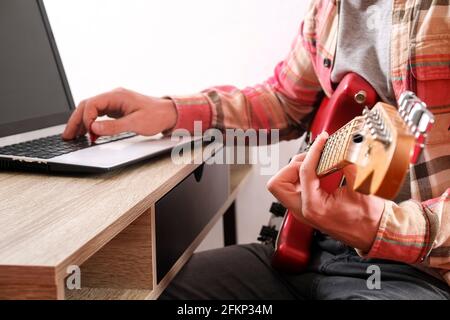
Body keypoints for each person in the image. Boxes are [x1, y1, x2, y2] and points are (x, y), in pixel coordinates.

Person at [63, 0, 450, 299]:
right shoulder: (329, 9)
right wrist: (169, 111)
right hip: (309, 252)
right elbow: (285, 100)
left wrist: (380, 227)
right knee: (129, 292)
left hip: (416, 271)